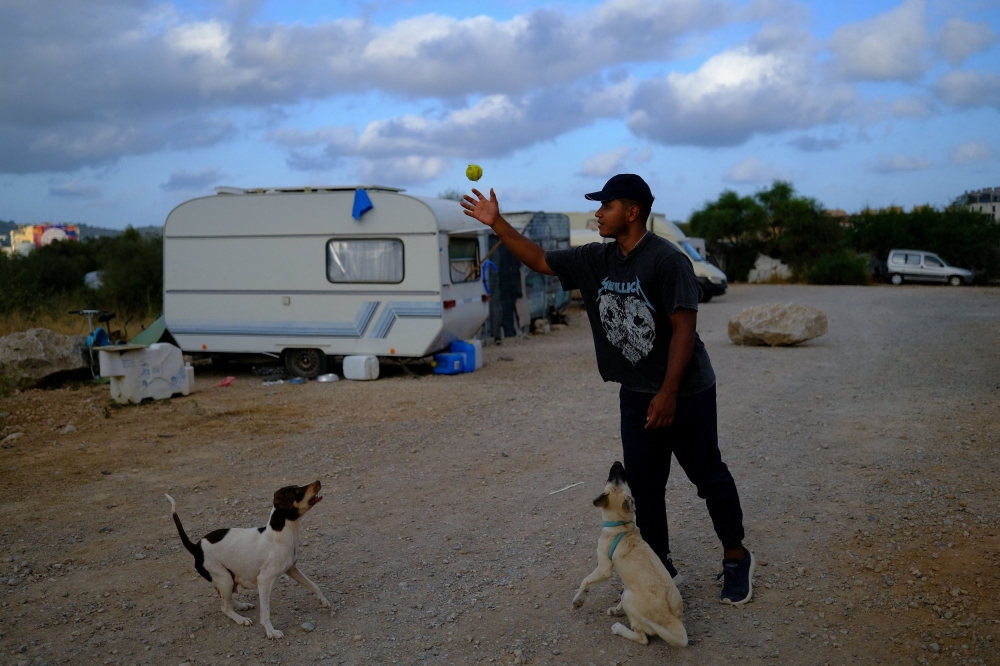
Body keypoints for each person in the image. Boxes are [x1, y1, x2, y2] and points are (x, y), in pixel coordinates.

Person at [461, 174, 754, 605]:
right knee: (645, 488)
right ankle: (660, 569)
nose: (598, 212)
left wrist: (669, 392)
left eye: (606, 205)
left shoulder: (666, 261)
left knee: (708, 477)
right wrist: (497, 223)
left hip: (685, 390)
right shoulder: (597, 260)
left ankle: (735, 557)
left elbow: (684, 328)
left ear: (632, 212)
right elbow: (541, 260)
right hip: (635, 393)